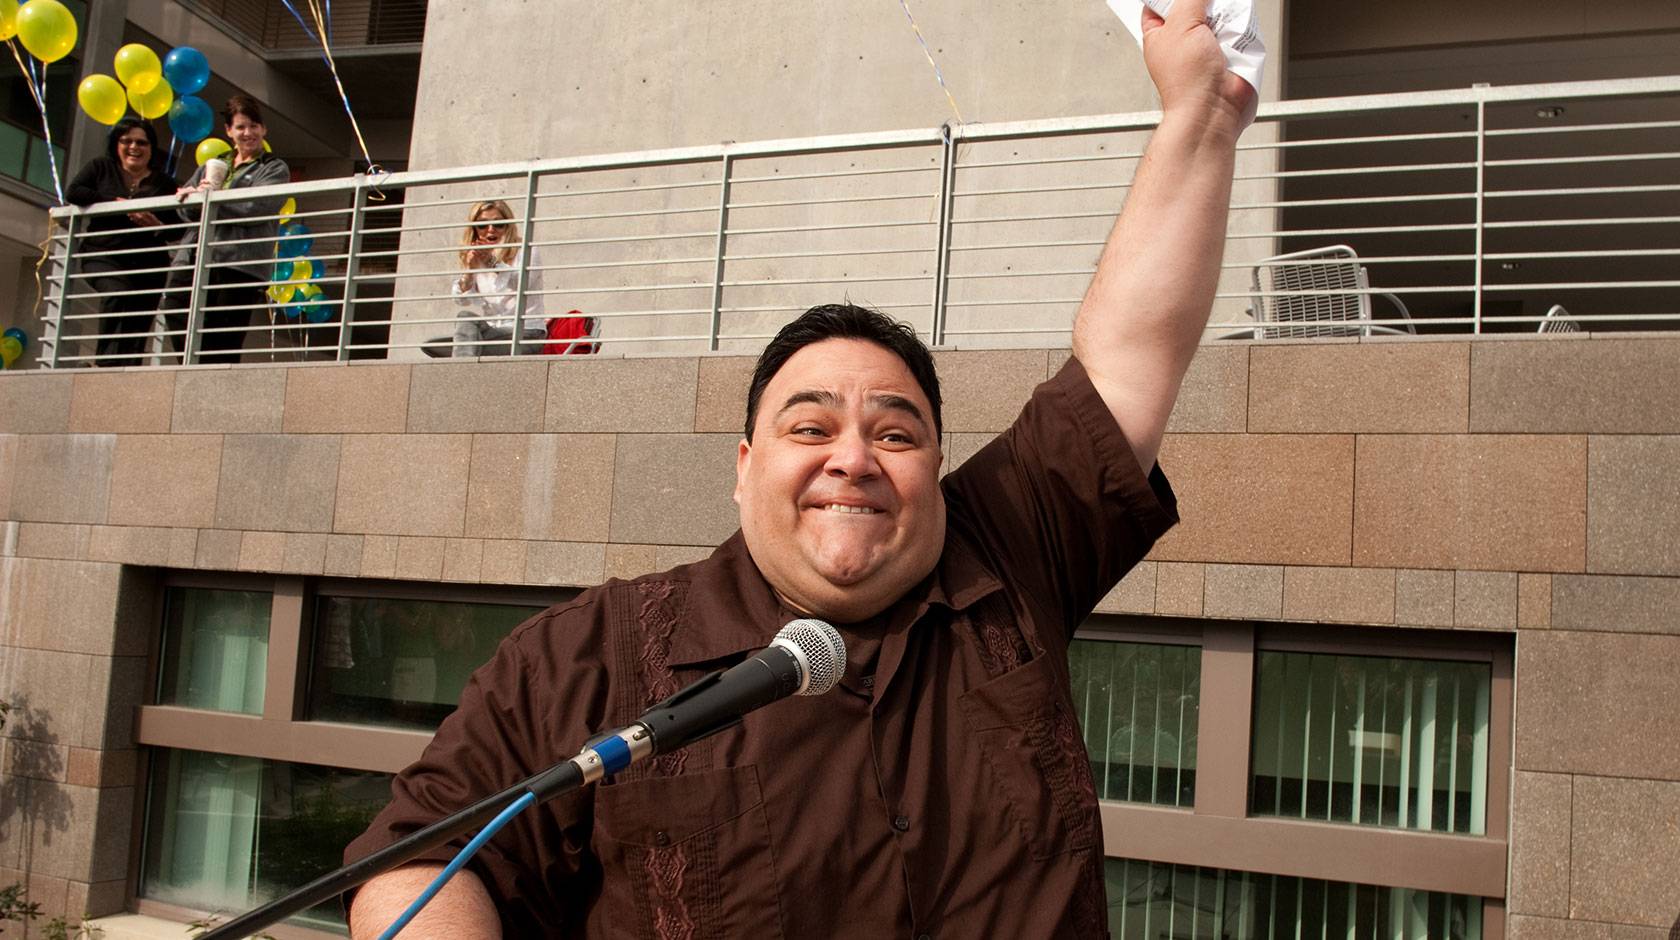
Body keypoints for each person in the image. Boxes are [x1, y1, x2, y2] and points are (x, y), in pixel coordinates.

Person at [345, 2, 1256, 936]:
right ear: (744, 469)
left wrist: (1201, 111)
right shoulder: (583, 658)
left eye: (896, 435)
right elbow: (414, 872)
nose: (853, 457)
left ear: (939, 469)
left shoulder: (1011, 556)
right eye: (809, 427)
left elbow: (1129, 355)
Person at [163, 94, 290, 364]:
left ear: (263, 129)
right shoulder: (214, 164)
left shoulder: (273, 167)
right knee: (175, 307)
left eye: (254, 126)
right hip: (194, 258)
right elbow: (184, 210)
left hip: (238, 265)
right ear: (229, 131)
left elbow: (257, 206)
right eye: (241, 127)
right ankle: (191, 373)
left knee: (222, 336)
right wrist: (194, 196)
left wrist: (212, 199)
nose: (248, 133)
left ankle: (213, 388)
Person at [65, 118, 177, 366]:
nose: (134, 147)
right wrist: (114, 203)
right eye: (126, 141)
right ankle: (106, 365)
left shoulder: (164, 183)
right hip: (103, 254)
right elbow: (73, 192)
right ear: (116, 144)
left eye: (142, 143)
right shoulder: (101, 167)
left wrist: (156, 225)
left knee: (139, 317)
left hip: (149, 263)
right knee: (117, 293)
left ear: (151, 148)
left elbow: (176, 228)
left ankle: (127, 370)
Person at [450, 200, 548, 357]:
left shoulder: (526, 250)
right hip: (493, 332)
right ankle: (462, 368)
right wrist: (469, 270)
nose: (490, 230)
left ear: (508, 226)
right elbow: (461, 300)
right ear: (474, 229)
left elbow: (522, 283)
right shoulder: (476, 256)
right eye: (482, 225)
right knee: (464, 319)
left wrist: (492, 262)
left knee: (463, 348)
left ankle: (460, 371)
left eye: (498, 224)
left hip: (527, 333)